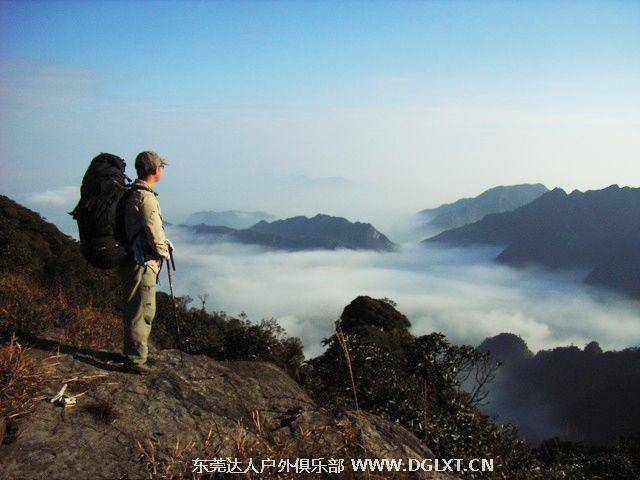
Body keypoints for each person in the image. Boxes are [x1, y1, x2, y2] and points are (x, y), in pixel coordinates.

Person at [118, 151, 173, 374]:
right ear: (154, 170)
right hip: (142, 263)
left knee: (136, 307)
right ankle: (136, 359)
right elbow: (153, 232)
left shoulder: (132, 192)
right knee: (142, 310)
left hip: (132, 260)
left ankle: (135, 353)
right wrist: (165, 252)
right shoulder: (146, 198)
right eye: (161, 166)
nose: (163, 170)